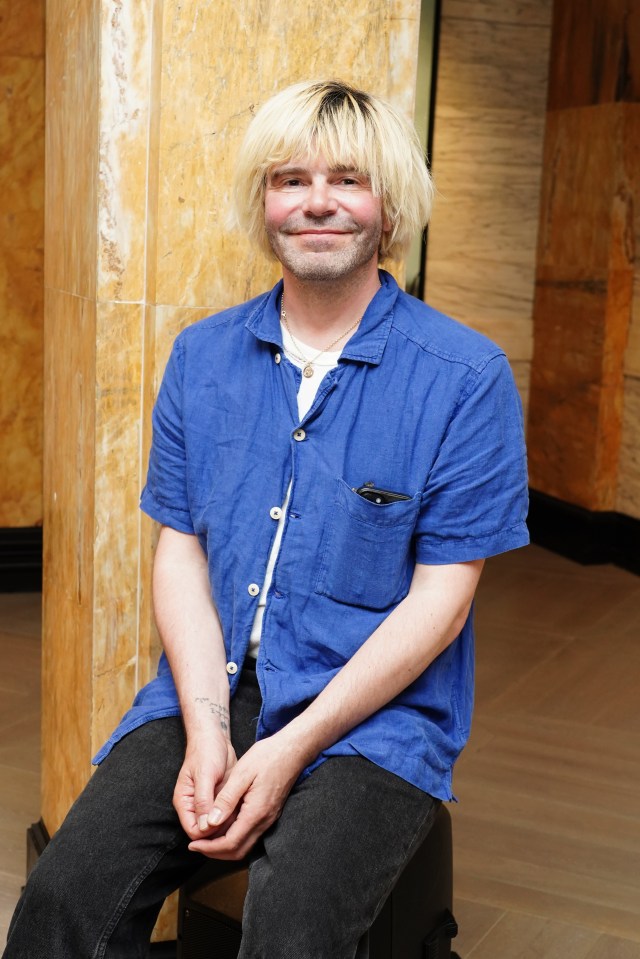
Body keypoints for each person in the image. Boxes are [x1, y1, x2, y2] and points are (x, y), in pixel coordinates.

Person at [3, 79, 529, 959]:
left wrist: (287, 753)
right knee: (65, 893)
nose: (317, 201)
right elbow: (182, 552)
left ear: (389, 207)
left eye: (348, 180)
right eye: (289, 179)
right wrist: (208, 726)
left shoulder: (465, 377)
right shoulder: (201, 356)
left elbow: (441, 603)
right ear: (263, 205)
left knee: (293, 931)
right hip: (214, 686)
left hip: (375, 714)